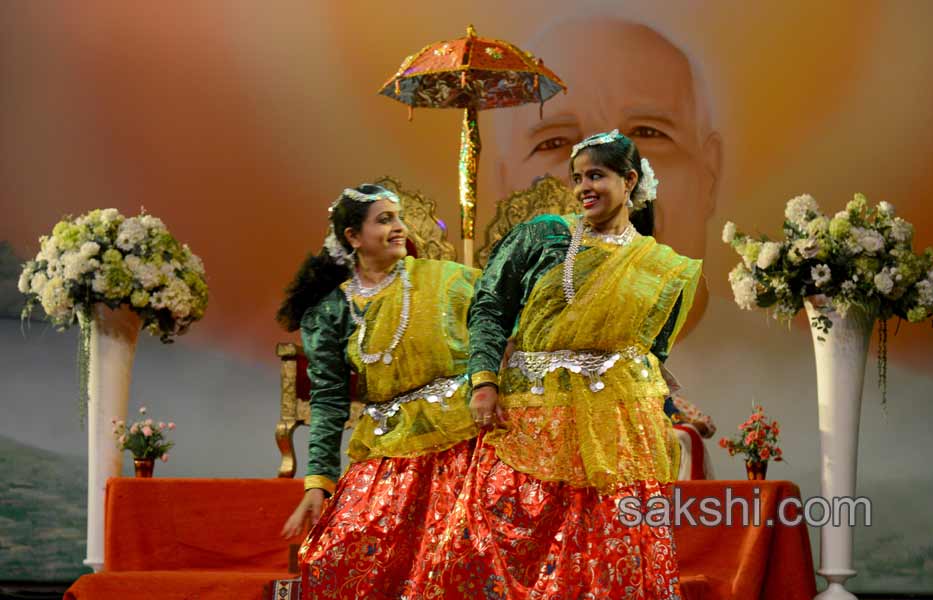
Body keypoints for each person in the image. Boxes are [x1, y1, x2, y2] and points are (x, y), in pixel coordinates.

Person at [417, 131, 702, 599]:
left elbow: (652, 354)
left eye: (597, 175)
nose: (583, 187)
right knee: (487, 542)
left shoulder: (661, 267)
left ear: (629, 180)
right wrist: (483, 382)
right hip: (531, 415)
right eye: (577, 178)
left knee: (610, 551)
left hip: (615, 429)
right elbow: (489, 306)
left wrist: (668, 407)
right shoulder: (543, 234)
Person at [276, 184, 480, 599]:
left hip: (462, 442)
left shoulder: (447, 279)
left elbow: (495, 324)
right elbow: (329, 401)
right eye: (385, 220)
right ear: (353, 237)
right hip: (386, 446)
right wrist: (317, 483)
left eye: (398, 218)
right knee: (342, 553)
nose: (399, 228)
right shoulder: (330, 311)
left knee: (456, 557)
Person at [492, 17, 721, 331]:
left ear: (709, 172)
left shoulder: (773, 362)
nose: (598, 174)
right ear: (506, 187)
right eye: (555, 142)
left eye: (647, 131)